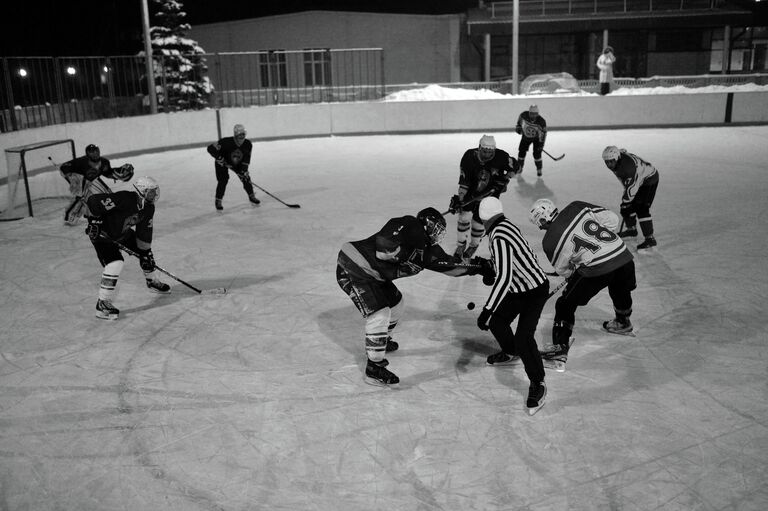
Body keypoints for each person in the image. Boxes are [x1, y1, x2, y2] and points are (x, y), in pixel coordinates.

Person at [336, 207, 495, 386]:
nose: (438, 235)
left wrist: (480, 267)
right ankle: (374, 368)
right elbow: (383, 244)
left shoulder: (427, 252)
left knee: (396, 305)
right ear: (427, 225)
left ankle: (382, 340)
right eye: (436, 230)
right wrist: (400, 248)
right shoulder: (411, 225)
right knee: (379, 314)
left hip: (374, 276)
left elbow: (452, 267)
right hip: (353, 265)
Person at [529, 198, 636, 371]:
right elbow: (613, 220)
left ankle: (559, 351)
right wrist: (601, 245)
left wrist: (581, 261)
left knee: (564, 304)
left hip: (597, 268)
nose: (540, 228)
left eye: (539, 224)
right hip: (622, 254)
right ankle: (623, 321)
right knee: (618, 284)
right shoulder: (576, 206)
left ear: (542, 219)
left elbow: (565, 271)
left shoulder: (549, 241)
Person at [476, 197, 549, 415]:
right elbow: (507, 264)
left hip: (534, 291)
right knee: (498, 323)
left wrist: (487, 310)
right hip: (519, 289)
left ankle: (539, 383)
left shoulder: (498, 236)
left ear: (483, 219)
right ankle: (510, 352)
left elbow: (504, 279)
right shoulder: (506, 225)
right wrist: (492, 267)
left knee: (524, 338)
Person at [84, 176, 170, 320]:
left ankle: (152, 281)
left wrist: (144, 253)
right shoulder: (124, 198)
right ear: (142, 191)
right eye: (151, 192)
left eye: (155, 191)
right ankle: (102, 303)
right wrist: (95, 221)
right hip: (103, 235)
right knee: (115, 263)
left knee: (146, 254)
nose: (155, 195)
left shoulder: (148, 208)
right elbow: (93, 202)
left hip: (123, 233)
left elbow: (144, 234)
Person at [448, 135, 519, 262]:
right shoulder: (469, 157)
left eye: (490, 152)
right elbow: (464, 182)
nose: (487, 155)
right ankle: (461, 245)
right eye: (484, 151)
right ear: (479, 148)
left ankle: (473, 246)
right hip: (471, 191)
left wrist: (506, 179)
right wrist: (460, 199)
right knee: (463, 217)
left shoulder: (501, 156)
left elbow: (516, 167)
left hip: (490, 194)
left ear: (494, 150)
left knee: (479, 221)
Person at [59, 144, 134, 226]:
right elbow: (63, 167)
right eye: (92, 152)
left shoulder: (104, 162)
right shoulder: (81, 162)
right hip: (77, 178)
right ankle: (69, 216)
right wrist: (71, 177)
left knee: (102, 194)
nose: (95, 153)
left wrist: (121, 174)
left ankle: (83, 214)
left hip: (88, 181)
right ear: (87, 153)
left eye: (96, 151)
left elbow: (108, 173)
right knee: (81, 195)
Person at [602, 146, 660, 250]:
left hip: (649, 179)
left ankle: (650, 239)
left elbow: (632, 187)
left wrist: (626, 202)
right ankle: (632, 229)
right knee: (628, 207)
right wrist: (627, 203)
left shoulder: (627, 169)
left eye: (611, 161)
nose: (609, 165)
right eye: (606, 162)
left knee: (641, 209)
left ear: (617, 158)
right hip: (639, 178)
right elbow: (622, 151)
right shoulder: (618, 158)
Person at [206, 124, 258, 210]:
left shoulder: (248, 144)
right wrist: (219, 158)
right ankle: (218, 200)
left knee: (245, 178)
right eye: (239, 135)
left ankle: (251, 196)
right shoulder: (226, 142)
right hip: (222, 163)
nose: (242, 137)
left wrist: (244, 170)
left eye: (243, 134)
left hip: (236, 163)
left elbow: (246, 159)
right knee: (223, 180)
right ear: (235, 135)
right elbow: (210, 148)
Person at [515, 104, 547, 177]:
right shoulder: (523, 115)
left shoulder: (541, 121)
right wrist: (518, 128)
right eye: (531, 113)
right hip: (525, 137)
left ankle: (539, 169)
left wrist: (541, 144)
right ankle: (519, 168)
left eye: (535, 114)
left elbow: (543, 134)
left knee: (537, 154)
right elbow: (519, 123)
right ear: (529, 112)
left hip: (536, 139)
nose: (533, 116)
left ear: (538, 114)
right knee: (521, 152)